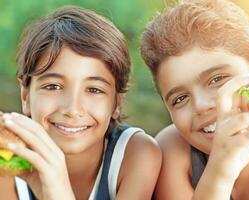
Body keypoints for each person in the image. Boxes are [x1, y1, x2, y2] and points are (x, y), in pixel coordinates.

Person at [140, 0, 249, 199]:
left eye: (217, 79)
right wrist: (221, 172)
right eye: (180, 98)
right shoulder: (172, 150)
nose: (200, 105)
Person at [0, 5, 161, 200]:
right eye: (53, 86)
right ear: (25, 96)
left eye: (94, 90)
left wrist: (58, 190)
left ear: (116, 104)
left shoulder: (135, 155)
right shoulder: (8, 157)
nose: (72, 109)